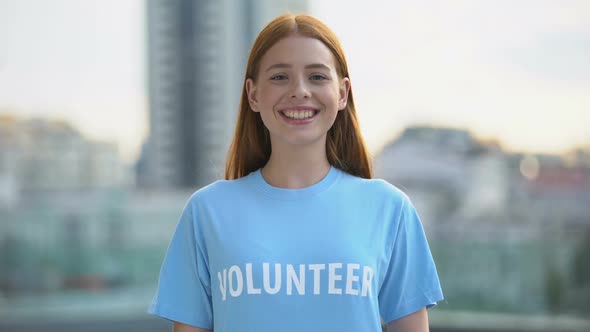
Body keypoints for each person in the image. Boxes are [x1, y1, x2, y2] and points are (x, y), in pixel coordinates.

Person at [148, 13, 444, 332]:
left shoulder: (390, 209)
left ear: (342, 93)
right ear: (253, 94)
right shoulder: (206, 212)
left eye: (317, 76)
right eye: (279, 77)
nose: (300, 90)